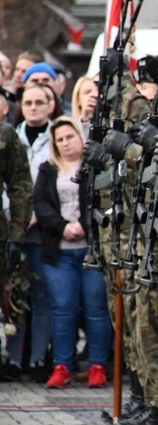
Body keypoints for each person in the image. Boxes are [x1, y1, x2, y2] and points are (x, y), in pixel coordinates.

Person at [32, 116, 112, 389]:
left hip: (91, 251)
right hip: (60, 251)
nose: (65, 143)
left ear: (81, 137)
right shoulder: (48, 169)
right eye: (60, 140)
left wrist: (85, 227)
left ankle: (98, 365)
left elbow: (105, 202)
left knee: (96, 310)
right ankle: (62, 365)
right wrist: (64, 227)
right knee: (62, 309)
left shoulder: (96, 168)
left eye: (70, 137)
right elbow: (41, 204)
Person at [3, 84, 53, 383]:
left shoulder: (5, 135)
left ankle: (17, 358)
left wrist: (16, 233)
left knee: (15, 300)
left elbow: (20, 187)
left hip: (5, 232)